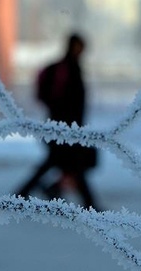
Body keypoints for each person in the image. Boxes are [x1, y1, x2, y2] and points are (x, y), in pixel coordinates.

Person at [15, 33, 99, 210]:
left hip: (68, 127)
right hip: (60, 128)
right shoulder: (65, 68)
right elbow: (61, 99)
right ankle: (89, 205)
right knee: (73, 166)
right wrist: (64, 118)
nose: (81, 50)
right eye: (79, 46)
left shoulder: (72, 67)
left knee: (62, 164)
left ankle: (31, 193)